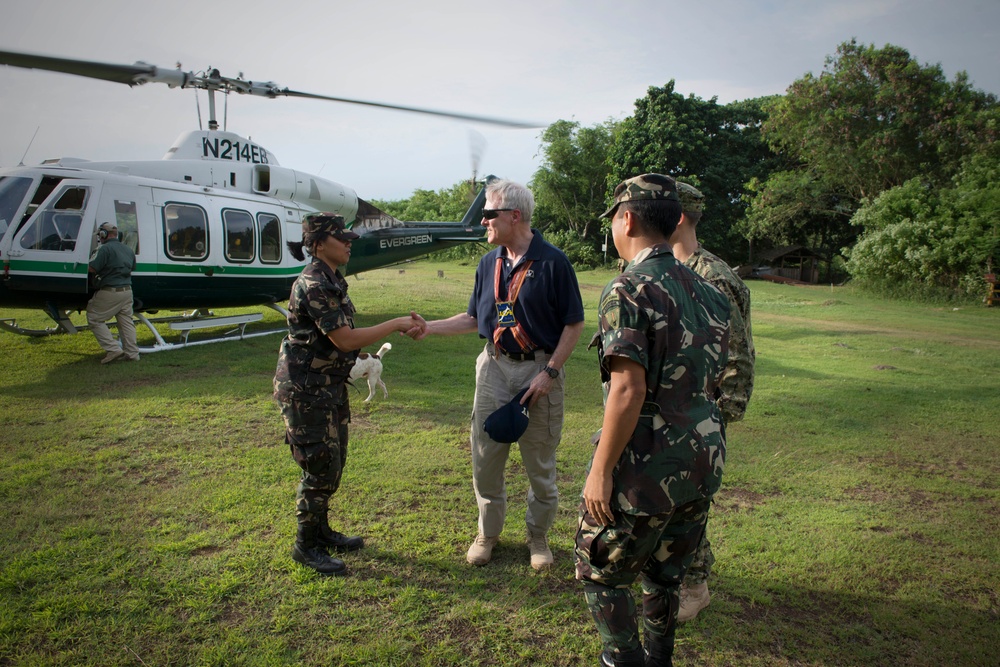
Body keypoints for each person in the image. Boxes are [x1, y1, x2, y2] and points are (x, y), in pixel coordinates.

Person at [574, 174, 730, 667]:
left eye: (615, 220)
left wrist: (600, 472)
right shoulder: (708, 289)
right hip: (701, 461)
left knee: (600, 569)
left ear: (628, 218)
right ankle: (659, 657)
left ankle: (623, 659)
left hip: (646, 468)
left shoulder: (629, 288)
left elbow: (627, 389)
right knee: (666, 575)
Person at [412, 179, 585, 570]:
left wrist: (550, 372)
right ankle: (487, 534)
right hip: (492, 366)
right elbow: (474, 318)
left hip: (538, 371)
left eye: (488, 214)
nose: (483, 222)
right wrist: (430, 327)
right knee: (485, 457)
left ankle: (537, 538)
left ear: (514, 216)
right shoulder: (487, 263)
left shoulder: (554, 263)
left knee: (539, 464)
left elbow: (574, 325)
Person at [274, 212, 424, 576]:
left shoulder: (332, 280)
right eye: (342, 238)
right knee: (320, 467)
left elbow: (340, 341)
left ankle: (320, 531)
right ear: (319, 244)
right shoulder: (314, 283)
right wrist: (396, 323)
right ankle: (305, 545)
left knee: (333, 464)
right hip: (306, 390)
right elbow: (343, 338)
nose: (349, 243)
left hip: (327, 386)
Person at [671, 181, 756, 622]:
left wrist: (719, 416)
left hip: (700, 413)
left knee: (692, 499)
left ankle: (695, 585)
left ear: (678, 217)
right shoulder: (663, 269)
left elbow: (738, 354)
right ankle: (673, 576)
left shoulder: (711, 276)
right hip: (669, 410)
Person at [87, 222, 140, 364]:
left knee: (94, 317)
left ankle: (113, 349)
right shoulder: (128, 250)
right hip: (127, 291)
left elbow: (91, 268)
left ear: (103, 234)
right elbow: (132, 267)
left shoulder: (103, 249)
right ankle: (133, 353)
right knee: (126, 322)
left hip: (110, 290)